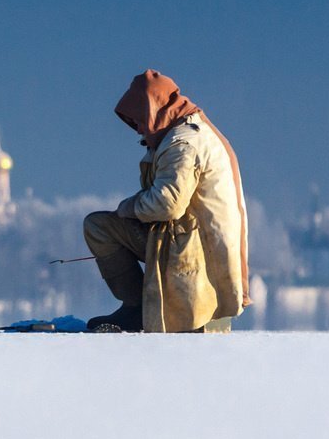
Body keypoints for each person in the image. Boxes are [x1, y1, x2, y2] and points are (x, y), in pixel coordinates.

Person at [84, 70, 251, 333]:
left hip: (193, 248)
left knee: (99, 226)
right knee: (102, 224)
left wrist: (127, 208)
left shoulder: (183, 143)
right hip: (190, 240)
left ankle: (137, 309)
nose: (137, 128)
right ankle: (136, 308)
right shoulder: (189, 132)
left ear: (152, 110)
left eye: (139, 119)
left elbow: (168, 203)